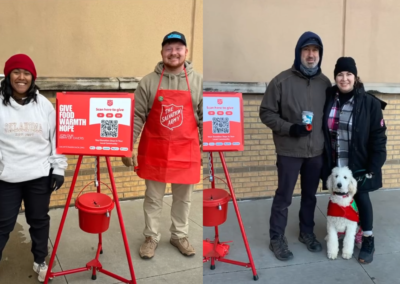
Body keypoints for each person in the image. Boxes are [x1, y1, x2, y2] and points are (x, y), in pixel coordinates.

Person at [121, 31, 202, 259]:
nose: (173, 52)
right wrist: (128, 145)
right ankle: (151, 237)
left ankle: (179, 235)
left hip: (186, 151)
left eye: (178, 48)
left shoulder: (198, 81)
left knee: (183, 199)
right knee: (153, 198)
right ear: (162, 52)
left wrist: (208, 147)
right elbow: (136, 116)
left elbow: (206, 118)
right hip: (155, 150)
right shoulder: (148, 82)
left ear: (186, 52)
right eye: (169, 48)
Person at [259, 31, 331, 261]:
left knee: (310, 196)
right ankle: (276, 238)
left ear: (320, 55)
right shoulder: (281, 81)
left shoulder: (325, 83)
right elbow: (266, 112)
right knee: (284, 196)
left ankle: (306, 232)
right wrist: (290, 128)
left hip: (316, 152)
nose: (311, 55)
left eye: (315, 50)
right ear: (299, 53)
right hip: (289, 151)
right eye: (306, 50)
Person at [0, 54, 68, 282]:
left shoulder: (44, 105)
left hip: (38, 176)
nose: (21, 77)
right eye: (16, 72)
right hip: (6, 177)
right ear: (8, 75)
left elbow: (56, 138)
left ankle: (40, 260)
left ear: (33, 77)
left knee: (38, 220)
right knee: (3, 223)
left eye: (26, 73)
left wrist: (58, 168)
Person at [321, 57, 387, 264]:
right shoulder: (329, 97)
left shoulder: (369, 103)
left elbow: (378, 136)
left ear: (355, 77)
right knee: (338, 199)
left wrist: (373, 167)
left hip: (358, 163)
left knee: (361, 199)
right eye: (340, 74)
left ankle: (367, 237)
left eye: (349, 74)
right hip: (335, 161)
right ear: (335, 77)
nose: (344, 78)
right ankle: (345, 228)